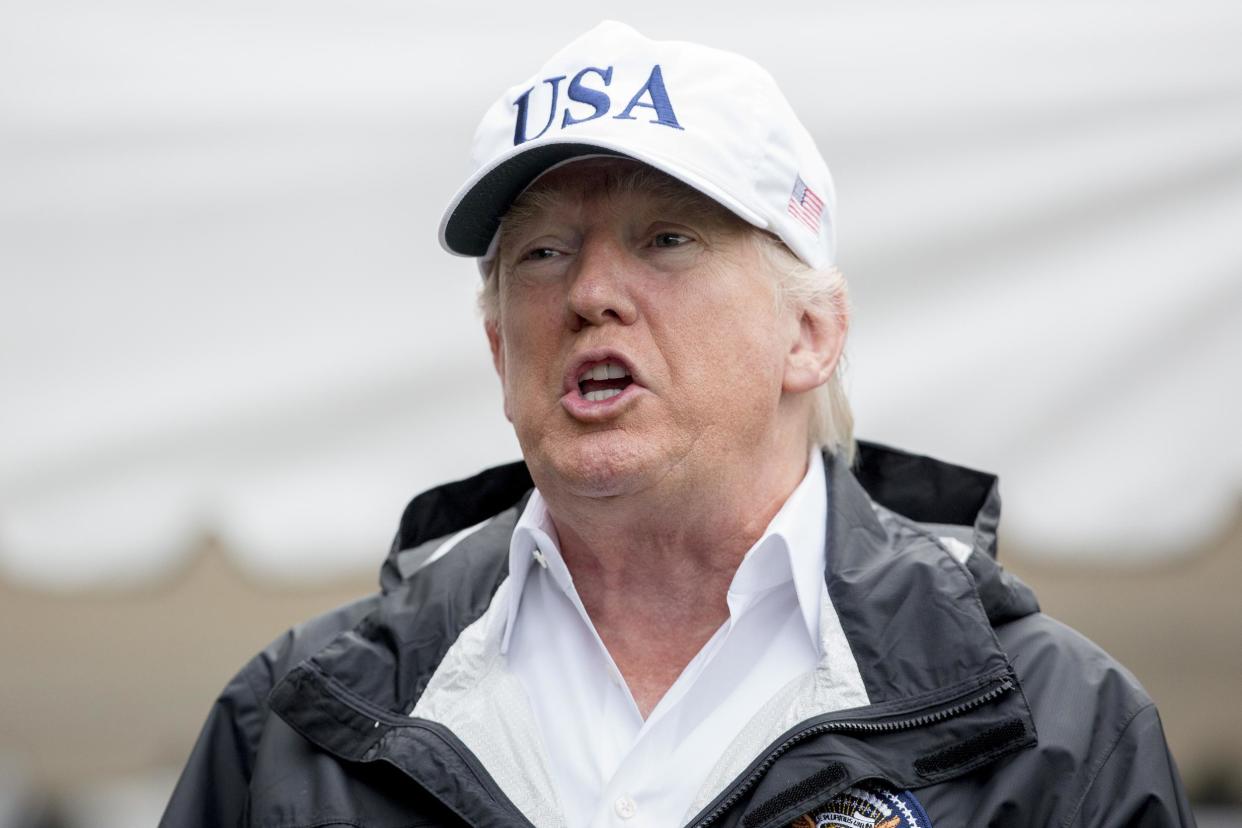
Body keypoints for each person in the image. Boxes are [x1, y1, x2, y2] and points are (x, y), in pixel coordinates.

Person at [161, 21, 1196, 828]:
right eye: (543, 253)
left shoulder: (1055, 725)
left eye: (666, 238)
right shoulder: (298, 719)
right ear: (497, 351)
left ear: (811, 333)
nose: (593, 292)